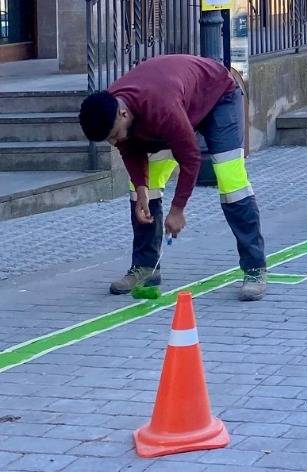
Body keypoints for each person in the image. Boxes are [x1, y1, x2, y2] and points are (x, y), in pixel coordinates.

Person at [78, 55, 267, 300]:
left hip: (218, 96)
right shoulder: (110, 108)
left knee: (231, 179)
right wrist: (142, 189)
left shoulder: (159, 106)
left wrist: (177, 210)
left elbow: (190, 158)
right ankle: (147, 267)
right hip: (181, 105)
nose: (115, 142)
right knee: (141, 190)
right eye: (109, 140)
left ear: (123, 114)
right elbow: (130, 149)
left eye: (114, 135)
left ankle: (254, 269)